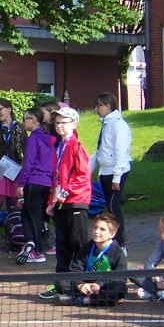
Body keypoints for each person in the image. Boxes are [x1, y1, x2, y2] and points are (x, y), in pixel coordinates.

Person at [39, 107, 92, 300]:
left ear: (73, 124)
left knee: (79, 244)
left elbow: (82, 176)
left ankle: (84, 284)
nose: (60, 126)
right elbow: (57, 178)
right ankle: (61, 285)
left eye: (64, 122)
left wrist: (66, 193)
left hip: (76, 202)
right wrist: (51, 201)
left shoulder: (76, 146)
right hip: (61, 203)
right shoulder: (59, 147)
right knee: (62, 245)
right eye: (57, 123)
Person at [90, 92, 132, 248]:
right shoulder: (107, 123)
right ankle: (115, 239)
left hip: (115, 171)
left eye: (99, 105)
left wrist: (117, 177)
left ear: (108, 106)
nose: (96, 109)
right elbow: (101, 149)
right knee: (110, 205)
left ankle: (120, 242)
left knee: (114, 207)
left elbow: (121, 151)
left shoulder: (118, 124)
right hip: (105, 171)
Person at [15, 107, 55, 264]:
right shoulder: (48, 139)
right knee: (27, 214)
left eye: (26, 118)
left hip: (34, 181)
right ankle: (31, 242)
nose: (23, 121)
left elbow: (28, 163)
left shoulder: (32, 139)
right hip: (46, 182)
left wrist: (21, 184)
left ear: (34, 121)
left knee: (32, 216)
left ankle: (38, 251)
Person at [65, 212, 128, 306]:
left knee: (120, 289)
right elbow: (75, 269)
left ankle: (84, 300)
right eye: (95, 227)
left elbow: (120, 277)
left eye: (102, 229)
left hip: (103, 286)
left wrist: (100, 283)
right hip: (86, 284)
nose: (96, 231)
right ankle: (93, 299)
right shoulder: (86, 248)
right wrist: (80, 284)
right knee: (61, 282)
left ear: (112, 234)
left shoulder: (118, 253)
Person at [0, 98, 25, 216]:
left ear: (9, 109)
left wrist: (24, 164)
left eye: (0, 110)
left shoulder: (19, 127)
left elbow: (25, 147)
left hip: (14, 168)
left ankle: (11, 226)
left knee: (13, 202)